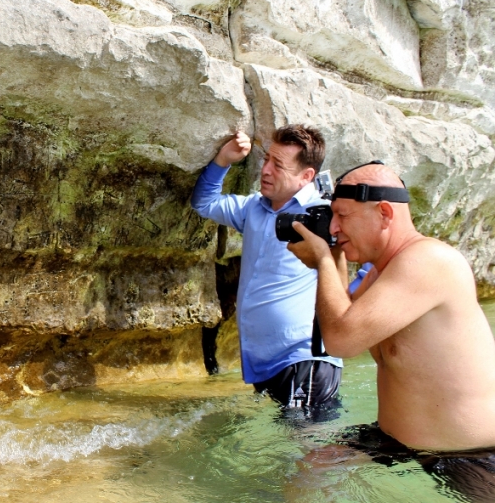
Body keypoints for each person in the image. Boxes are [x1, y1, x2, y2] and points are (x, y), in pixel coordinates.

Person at [287, 162, 495, 499]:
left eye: (343, 216)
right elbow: (342, 317)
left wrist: (325, 259)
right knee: (313, 471)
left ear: (384, 213)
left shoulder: (428, 260)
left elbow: (341, 340)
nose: (334, 227)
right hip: (396, 439)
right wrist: (334, 258)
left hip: (473, 452)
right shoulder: (381, 273)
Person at [191, 125, 342, 410]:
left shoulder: (323, 215)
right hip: (265, 364)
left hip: (305, 358)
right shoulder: (254, 209)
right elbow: (205, 203)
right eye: (266, 160)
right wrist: (223, 160)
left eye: (278, 165)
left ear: (306, 176)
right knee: (287, 450)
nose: (266, 170)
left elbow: (368, 258)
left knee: (308, 448)